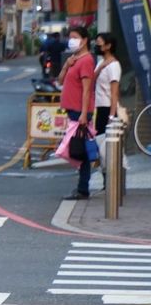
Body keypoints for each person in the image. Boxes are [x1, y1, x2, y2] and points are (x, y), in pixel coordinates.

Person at [59, 26, 96, 201]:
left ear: (84, 40)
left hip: (79, 112)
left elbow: (87, 90)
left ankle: (83, 189)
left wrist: (83, 113)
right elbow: (60, 80)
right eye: (70, 37)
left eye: (75, 37)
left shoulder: (87, 60)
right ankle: (83, 187)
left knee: (80, 151)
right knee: (79, 150)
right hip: (73, 111)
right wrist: (66, 65)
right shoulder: (74, 59)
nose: (71, 40)